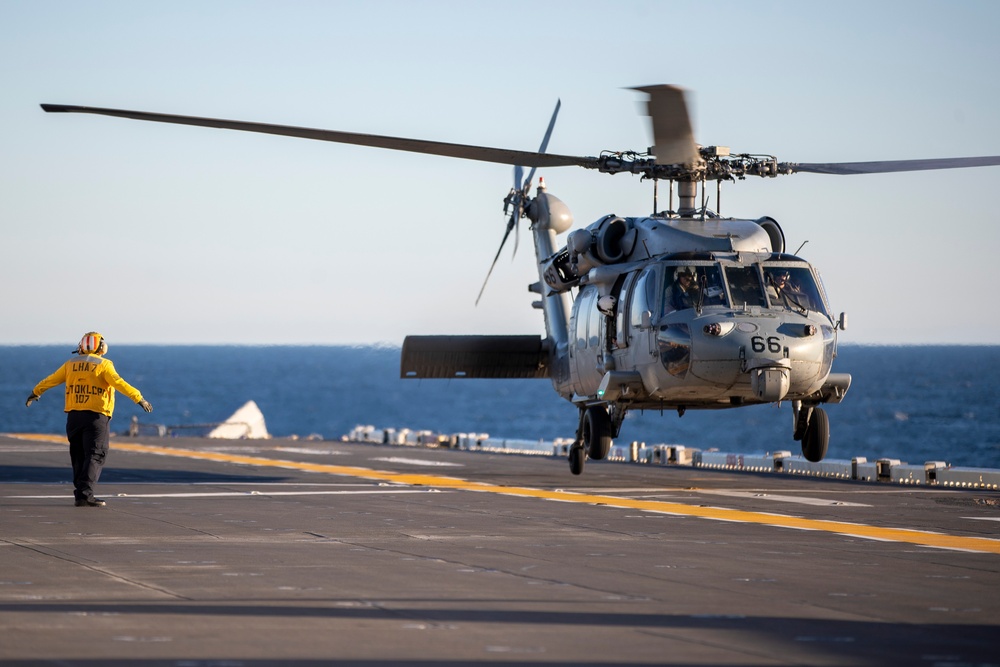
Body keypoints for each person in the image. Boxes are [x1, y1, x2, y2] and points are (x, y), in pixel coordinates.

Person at [25, 332, 152, 507]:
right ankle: (85, 495)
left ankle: (80, 494)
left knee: (78, 455)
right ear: (100, 347)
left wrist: (36, 392)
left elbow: (52, 379)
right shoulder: (104, 364)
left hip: (74, 416)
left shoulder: (71, 364)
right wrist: (139, 398)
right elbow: (119, 383)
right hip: (96, 416)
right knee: (96, 454)